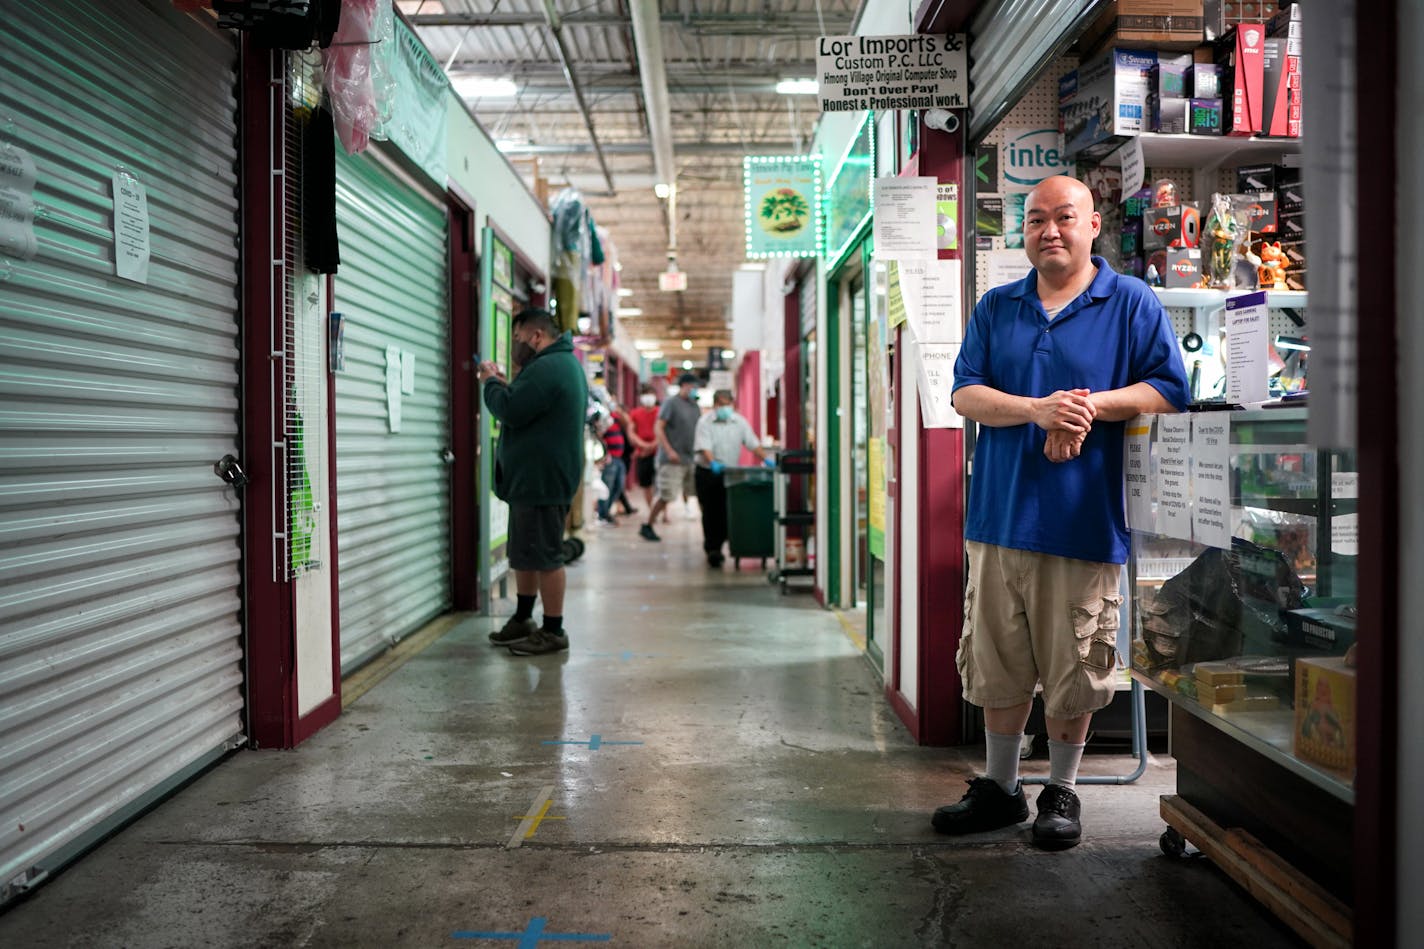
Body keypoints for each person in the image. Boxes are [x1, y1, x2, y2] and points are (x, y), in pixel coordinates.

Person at [938, 175, 1190, 850]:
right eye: (1036, 220)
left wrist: (1088, 405)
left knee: (1076, 667)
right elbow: (965, 394)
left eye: (1064, 217)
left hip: (1083, 522)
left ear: (1093, 225)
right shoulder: (998, 307)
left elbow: (1170, 390)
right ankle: (1000, 788)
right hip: (998, 518)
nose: (1049, 230)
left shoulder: (1129, 301)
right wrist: (1036, 409)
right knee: (998, 661)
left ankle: (1063, 790)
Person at [479, 307, 588, 656]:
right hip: (534, 479)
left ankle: (554, 630)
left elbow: (511, 409)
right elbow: (527, 405)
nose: (516, 344)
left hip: (542, 480)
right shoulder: (556, 365)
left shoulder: (549, 367)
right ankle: (524, 617)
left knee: (545, 556)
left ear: (535, 335)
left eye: (517, 337)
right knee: (525, 553)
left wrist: (491, 383)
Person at [692, 389, 773, 566]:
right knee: (711, 511)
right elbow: (705, 447)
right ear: (715, 405)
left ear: (733, 404)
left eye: (728, 404)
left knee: (725, 510)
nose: (725, 408)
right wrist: (713, 462)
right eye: (721, 404)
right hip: (707, 472)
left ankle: (722, 544)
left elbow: (752, 443)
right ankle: (713, 549)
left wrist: (766, 459)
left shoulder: (739, 422)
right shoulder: (705, 422)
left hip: (729, 473)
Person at [640, 373, 702, 542]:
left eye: (695, 387)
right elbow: (658, 428)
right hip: (671, 460)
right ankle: (648, 524)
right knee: (666, 495)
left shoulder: (695, 406)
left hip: (690, 459)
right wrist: (669, 451)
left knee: (695, 493)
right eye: (691, 386)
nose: (693, 389)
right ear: (683, 386)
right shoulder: (671, 403)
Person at [626, 383, 661, 516]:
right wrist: (643, 445)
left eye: (650, 394)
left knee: (661, 485)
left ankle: (664, 512)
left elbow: (664, 431)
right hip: (642, 454)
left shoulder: (660, 411)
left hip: (659, 453)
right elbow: (631, 432)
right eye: (645, 395)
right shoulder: (635, 413)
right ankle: (652, 509)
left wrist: (653, 444)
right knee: (646, 485)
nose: (648, 398)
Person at [594, 400, 631, 525]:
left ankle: (606, 512)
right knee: (607, 487)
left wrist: (619, 412)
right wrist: (605, 453)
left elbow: (628, 423)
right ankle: (602, 514)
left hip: (619, 458)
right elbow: (598, 433)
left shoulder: (615, 417)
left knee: (618, 487)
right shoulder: (602, 417)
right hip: (610, 458)